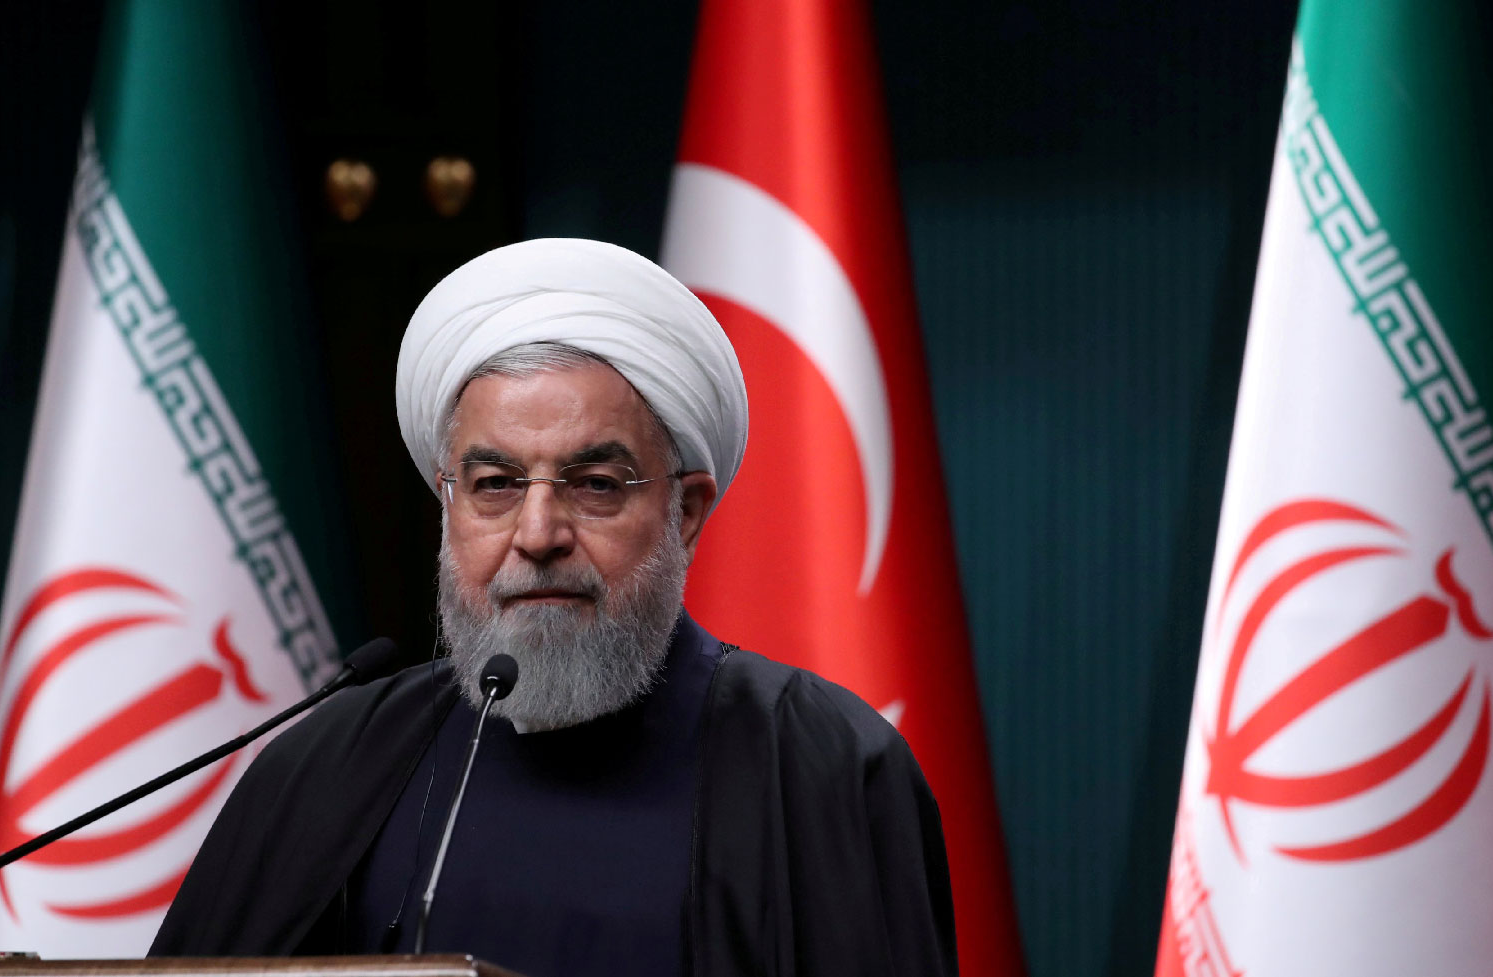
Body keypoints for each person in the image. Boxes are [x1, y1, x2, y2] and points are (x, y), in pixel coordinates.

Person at [150, 239, 957, 977]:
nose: (537, 534)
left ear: (685, 512)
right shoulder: (331, 762)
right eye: (495, 486)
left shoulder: (820, 767)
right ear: (447, 506)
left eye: (596, 485)